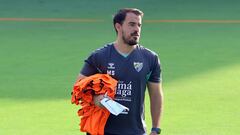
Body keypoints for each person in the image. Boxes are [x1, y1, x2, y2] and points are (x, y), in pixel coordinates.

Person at [76, 8, 163, 135]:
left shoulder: (150, 58)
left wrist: (156, 128)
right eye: (132, 24)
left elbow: (156, 95)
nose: (137, 29)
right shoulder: (99, 56)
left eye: (139, 25)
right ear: (118, 26)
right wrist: (96, 99)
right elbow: (78, 87)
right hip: (101, 131)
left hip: (135, 131)